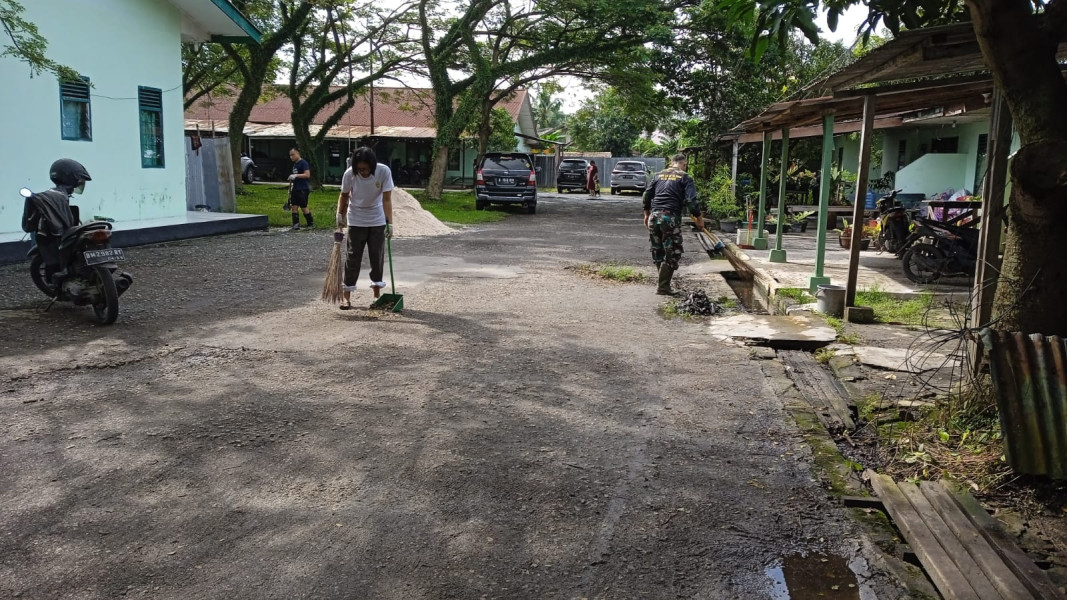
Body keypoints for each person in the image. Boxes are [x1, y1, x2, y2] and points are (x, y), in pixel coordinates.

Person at [335, 146, 395, 310]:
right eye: (360, 169)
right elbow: (344, 195)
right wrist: (340, 214)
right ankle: (346, 296)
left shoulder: (383, 172)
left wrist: (390, 222)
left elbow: (387, 199)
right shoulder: (350, 174)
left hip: (377, 219)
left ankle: (377, 295)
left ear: (372, 165)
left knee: (377, 257)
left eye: (366, 169)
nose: (363, 172)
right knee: (353, 258)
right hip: (356, 219)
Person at [642, 153, 705, 296]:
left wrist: (646, 214)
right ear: (684, 164)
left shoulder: (658, 175)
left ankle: (663, 284)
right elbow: (690, 200)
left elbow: (647, 195)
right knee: (673, 252)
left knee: (658, 250)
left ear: (672, 163)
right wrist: (699, 217)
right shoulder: (685, 177)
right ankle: (663, 287)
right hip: (669, 218)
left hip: (654, 216)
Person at [21, 158, 89, 283]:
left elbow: (29, 223)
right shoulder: (56, 196)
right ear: (70, 178)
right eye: (78, 181)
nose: (79, 185)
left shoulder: (54, 195)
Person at [287, 148, 313, 231]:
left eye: (293, 154)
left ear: (298, 154)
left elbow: (307, 174)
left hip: (303, 188)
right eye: (290, 155)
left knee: (303, 206)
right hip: (295, 188)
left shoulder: (303, 163)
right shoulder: (295, 164)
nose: (291, 157)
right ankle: (296, 224)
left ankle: (310, 223)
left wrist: (296, 175)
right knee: (294, 206)